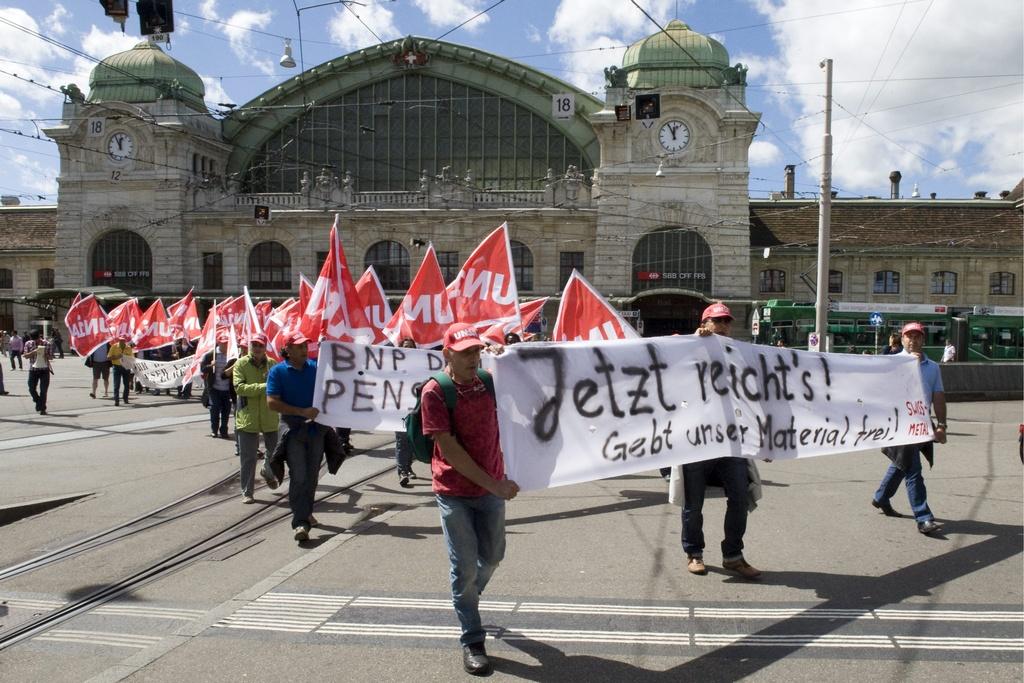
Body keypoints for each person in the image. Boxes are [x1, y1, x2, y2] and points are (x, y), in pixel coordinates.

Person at [420, 322, 519, 676]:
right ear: (447, 353)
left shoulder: (489, 380)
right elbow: (449, 449)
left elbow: (530, 384)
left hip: (491, 488)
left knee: (492, 557)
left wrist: (509, 357)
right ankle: (472, 638)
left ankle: (468, 600)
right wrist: (494, 484)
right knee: (462, 567)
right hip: (454, 492)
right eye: (465, 353)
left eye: (477, 350)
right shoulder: (435, 391)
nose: (473, 358)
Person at [683, 302, 762, 580]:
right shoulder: (690, 349)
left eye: (726, 321)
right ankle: (694, 553)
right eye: (716, 321)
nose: (723, 325)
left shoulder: (740, 354)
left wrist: (767, 439)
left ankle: (733, 556)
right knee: (693, 504)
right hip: (698, 442)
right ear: (704, 324)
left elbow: (757, 395)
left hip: (731, 442)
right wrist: (694, 342)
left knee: (740, 498)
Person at [872, 322, 947, 535]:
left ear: (923, 339)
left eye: (917, 336)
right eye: (908, 336)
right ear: (902, 339)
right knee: (914, 470)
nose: (912, 340)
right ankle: (923, 517)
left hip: (921, 424)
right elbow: (879, 391)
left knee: (901, 464)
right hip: (899, 425)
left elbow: (938, 396)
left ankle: (881, 497)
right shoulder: (892, 363)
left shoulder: (932, 367)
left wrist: (941, 425)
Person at [266, 333, 326, 542]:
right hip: (292, 429)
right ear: (288, 350)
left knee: (311, 476)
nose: (303, 349)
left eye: (305, 345)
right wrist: (301, 412)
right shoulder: (277, 371)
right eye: (299, 346)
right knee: (299, 474)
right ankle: (300, 523)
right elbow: (272, 403)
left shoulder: (317, 368)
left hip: (316, 430)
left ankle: (305, 512)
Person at [233, 333, 279, 504]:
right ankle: (247, 492)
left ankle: (267, 470)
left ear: (265, 347)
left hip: (269, 415)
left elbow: (278, 386)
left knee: (275, 452)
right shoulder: (241, 364)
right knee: (248, 458)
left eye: (260, 345)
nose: (257, 348)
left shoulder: (273, 364)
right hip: (248, 417)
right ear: (250, 346)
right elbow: (239, 388)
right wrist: (264, 386)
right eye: (254, 345)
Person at [394, 337, 419, 488]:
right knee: (401, 441)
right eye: (405, 347)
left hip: (416, 409)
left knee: (412, 440)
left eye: (411, 346)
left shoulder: (421, 364)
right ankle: (402, 471)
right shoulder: (394, 365)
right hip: (400, 409)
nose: (408, 349)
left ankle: (408, 467)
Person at [201, 333, 234, 438]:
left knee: (226, 411)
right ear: (218, 343)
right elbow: (203, 369)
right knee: (214, 409)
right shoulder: (211, 355)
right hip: (214, 388)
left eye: (226, 343)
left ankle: (224, 430)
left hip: (227, 389)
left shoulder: (232, 355)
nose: (225, 345)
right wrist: (211, 365)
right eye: (223, 343)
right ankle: (214, 430)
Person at [22, 330, 53, 414]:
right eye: (34, 339)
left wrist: (45, 354)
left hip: (44, 370)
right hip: (33, 370)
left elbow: (51, 357)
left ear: (40, 336)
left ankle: (42, 408)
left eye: (37, 339)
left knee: (43, 390)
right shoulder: (28, 343)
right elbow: (25, 356)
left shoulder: (47, 344)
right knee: (31, 388)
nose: (36, 341)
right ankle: (38, 401)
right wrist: (34, 352)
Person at [107, 335, 134, 406]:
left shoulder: (128, 348)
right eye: (120, 340)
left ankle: (125, 398)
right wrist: (117, 357)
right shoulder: (114, 346)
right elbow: (108, 357)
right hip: (117, 367)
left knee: (126, 385)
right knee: (116, 385)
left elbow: (132, 358)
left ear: (125, 341)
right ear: (118, 340)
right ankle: (116, 400)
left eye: (123, 340)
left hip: (126, 367)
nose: (122, 341)